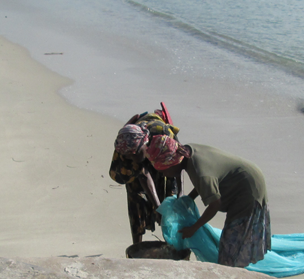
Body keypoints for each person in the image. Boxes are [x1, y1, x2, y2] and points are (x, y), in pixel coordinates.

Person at [146, 136, 271, 267]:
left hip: (248, 191)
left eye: (163, 171)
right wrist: (189, 198)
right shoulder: (187, 151)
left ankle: (232, 274)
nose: (163, 175)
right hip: (248, 176)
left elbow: (215, 204)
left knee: (231, 248)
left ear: (172, 163)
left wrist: (193, 229)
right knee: (229, 243)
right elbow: (206, 182)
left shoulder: (200, 172)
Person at [109, 108, 182, 244]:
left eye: (134, 154)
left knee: (169, 201)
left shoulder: (164, 136)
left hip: (164, 155)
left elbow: (178, 162)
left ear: (144, 143)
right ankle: (137, 246)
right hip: (139, 149)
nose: (133, 158)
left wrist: (178, 194)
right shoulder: (124, 148)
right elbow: (143, 175)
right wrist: (156, 205)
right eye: (129, 156)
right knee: (135, 197)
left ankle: (171, 243)